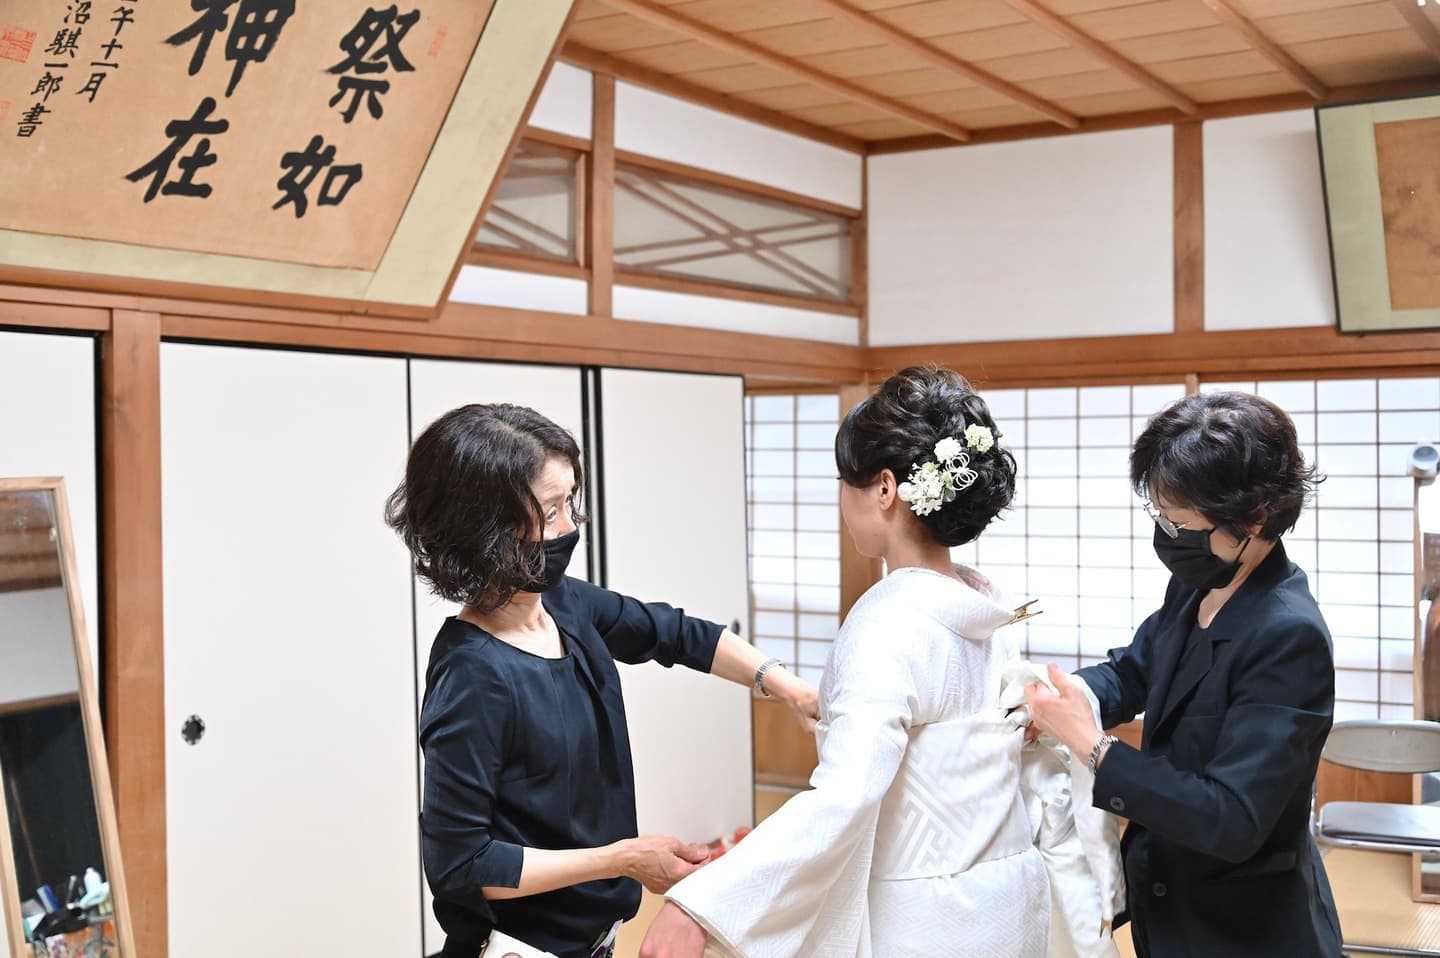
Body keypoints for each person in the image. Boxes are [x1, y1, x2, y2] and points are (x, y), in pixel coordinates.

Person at [642, 366, 1051, 957]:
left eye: (844, 478)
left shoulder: (887, 624)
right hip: (1009, 903)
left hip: (927, 922)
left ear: (885, 488)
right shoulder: (986, 607)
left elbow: (846, 796)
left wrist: (702, 903)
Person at [385, 403, 819, 958]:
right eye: (549, 512)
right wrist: (622, 859)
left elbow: (673, 632)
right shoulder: (472, 673)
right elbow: (463, 862)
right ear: (485, 530)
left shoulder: (564, 605)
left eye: (569, 503)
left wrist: (782, 682)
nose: (569, 527)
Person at [1025, 390, 1343, 957]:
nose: (1167, 537)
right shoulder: (1202, 581)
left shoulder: (1288, 636)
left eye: (1180, 523)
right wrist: (1063, 695)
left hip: (1246, 928)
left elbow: (1232, 817)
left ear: (1255, 517)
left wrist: (1093, 747)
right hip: (1170, 909)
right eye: (1160, 517)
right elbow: (1132, 671)